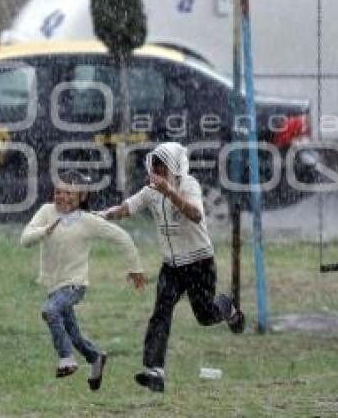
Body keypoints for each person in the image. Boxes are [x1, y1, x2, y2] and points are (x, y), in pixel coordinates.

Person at [100, 142, 244, 393]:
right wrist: (99, 215)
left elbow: (196, 215)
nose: (156, 171)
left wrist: (170, 193)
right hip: (172, 266)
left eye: (162, 166)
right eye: (154, 166)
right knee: (161, 313)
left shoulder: (189, 185)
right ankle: (154, 371)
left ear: (174, 166)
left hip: (199, 262)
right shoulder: (150, 191)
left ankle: (227, 307)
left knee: (206, 315)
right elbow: (126, 208)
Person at [21, 169, 147, 391]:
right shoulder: (46, 211)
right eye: (59, 192)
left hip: (74, 285)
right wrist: (44, 231)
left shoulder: (89, 221)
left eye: (70, 193)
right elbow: (25, 240)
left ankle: (66, 359)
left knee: (50, 311)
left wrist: (135, 268)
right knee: (74, 334)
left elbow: (122, 237)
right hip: (53, 286)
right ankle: (95, 357)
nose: (63, 197)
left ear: (82, 197)